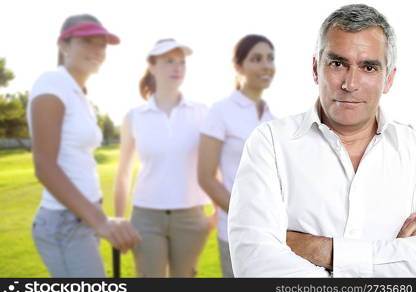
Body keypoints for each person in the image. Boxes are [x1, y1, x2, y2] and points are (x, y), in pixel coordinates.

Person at [228, 4, 416, 277]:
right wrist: (389, 263)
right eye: (338, 63)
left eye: (368, 67)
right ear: (316, 69)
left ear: (389, 79)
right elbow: (254, 264)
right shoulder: (270, 143)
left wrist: (320, 250)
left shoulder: (413, 148)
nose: (350, 83)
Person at [28, 14, 140, 278]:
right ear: (64, 45)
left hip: (83, 216)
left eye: (102, 44)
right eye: (88, 41)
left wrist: (96, 217)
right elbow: (44, 166)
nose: (98, 50)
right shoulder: (52, 83)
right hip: (64, 223)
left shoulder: (78, 92)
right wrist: (101, 221)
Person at [114, 39, 213, 277]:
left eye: (181, 62)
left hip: (191, 217)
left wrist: (217, 213)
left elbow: (214, 167)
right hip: (146, 217)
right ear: (152, 65)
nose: (177, 68)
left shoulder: (202, 112)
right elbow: (124, 173)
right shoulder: (134, 116)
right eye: (169, 61)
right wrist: (118, 221)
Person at [198, 34, 276, 277]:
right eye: (257, 59)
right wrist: (247, 217)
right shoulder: (220, 111)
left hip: (271, 236)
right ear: (238, 66)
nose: (266, 65)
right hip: (237, 234)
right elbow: (206, 178)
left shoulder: (271, 117)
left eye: (270, 58)